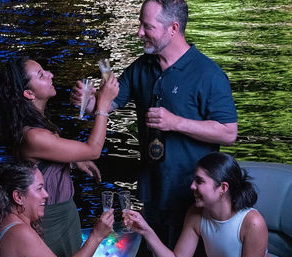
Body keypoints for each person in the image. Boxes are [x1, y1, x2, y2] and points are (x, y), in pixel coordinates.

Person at [70, 0, 238, 250]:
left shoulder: (208, 74)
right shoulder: (142, 67)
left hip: (194, 197)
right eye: (140, 24)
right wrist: (89, 100)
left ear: (173, 28)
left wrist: (176, 122)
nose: (139, 32)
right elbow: (107, 105)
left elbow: (229, 132)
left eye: (147, 26)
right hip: (153, 193)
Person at [0, 57, 119, 256]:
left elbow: (41, 159)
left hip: (64, 212)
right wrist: (102, 106)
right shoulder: (34, 135)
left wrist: (71, 158)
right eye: (41, 75)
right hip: (49, 219)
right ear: (29, 93)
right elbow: (94, 149)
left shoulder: (37, 124)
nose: (50, 74)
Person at [123, 152, 268, 257]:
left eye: (199, 181)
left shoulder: (252, 223)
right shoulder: (196, 214)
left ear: (223, 188)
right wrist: (146, 231)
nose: (192, 186)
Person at [0, 162, 114, 257]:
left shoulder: (2, 220)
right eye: (40, 189)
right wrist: (96, 236)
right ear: (18, 197)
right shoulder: (20, 232)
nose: (46, 194)